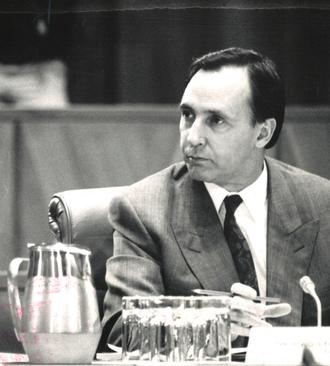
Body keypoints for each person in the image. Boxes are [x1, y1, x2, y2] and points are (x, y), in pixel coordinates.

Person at [102, 47, 330, 346]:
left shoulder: (321, 204)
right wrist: (211, 323)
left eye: (216, 121)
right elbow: (121, 331)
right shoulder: (143, 210)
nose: (192, 137)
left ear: (262, 133)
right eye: (187, 115)